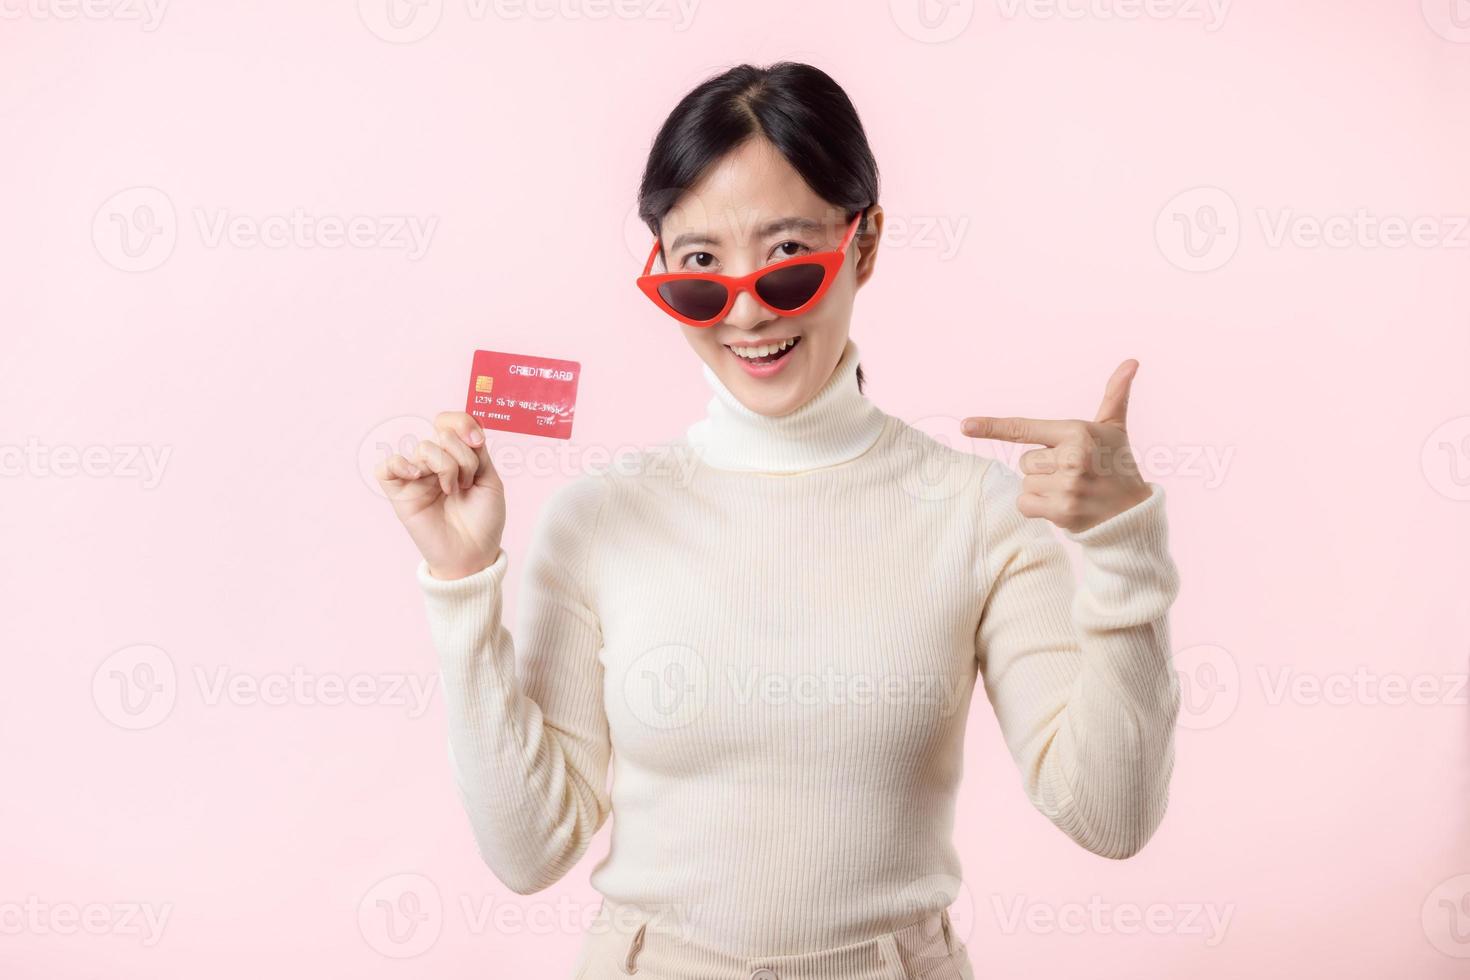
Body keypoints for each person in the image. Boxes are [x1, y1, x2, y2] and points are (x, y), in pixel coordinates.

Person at [376, 61, 1181, 980]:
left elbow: (1110, 817)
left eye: (788, 256)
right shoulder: (598, 520)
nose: (747, 308)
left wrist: (1125, 550)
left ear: (864, 243)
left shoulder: (979, 513)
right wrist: (461, 585)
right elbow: (531, 853)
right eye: (701, 269)